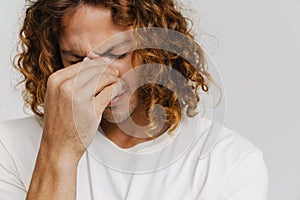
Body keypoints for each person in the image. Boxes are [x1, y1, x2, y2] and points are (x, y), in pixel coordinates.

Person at [0, 0, 269, 199]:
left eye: (116, 54)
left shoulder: (230, 163)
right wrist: (59, 153)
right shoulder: (9, 146)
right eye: (76, 60)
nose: (98, 75)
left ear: (154, 49)